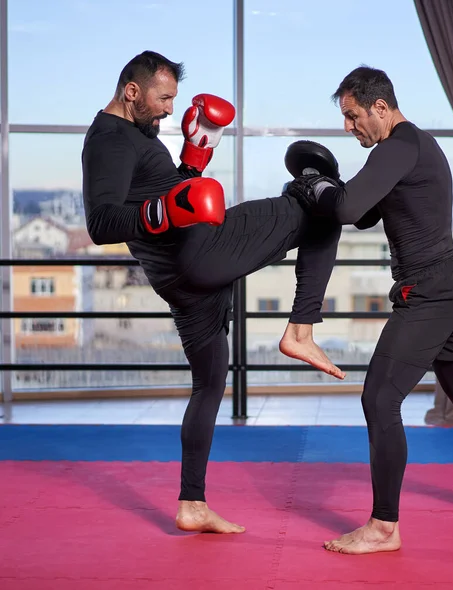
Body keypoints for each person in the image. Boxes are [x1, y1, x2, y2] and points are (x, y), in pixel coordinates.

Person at [81, 50, 345, 535]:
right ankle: (301, 329)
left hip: (183, 285)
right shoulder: (109, 141)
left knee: (208, 384)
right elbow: (101, 223)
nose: (167, 110)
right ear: (132, 92)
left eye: (173, 101)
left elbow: (168, 197)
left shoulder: (139, 132)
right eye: (162, 99)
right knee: (315, 201)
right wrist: (165, 210)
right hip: (201, 253)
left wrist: (193, 160)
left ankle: (192, 504)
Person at [284, 65, 453, 555]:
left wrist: (313, 185)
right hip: (450, 284)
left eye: (352, 117)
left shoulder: (402, 143)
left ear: (380, 107)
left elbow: (347, 209)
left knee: (379, 398)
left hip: (433, 291)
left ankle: (383, 527)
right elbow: (363, 210)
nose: (347, 127)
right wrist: (325, 185)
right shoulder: (410, 149)